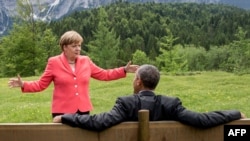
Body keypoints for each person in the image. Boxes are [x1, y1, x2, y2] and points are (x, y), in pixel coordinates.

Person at [53, 64, 246, 131]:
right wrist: (235, 113)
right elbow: (202, 120)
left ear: (138, 82)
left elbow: (98, 122)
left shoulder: (125, 104)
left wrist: (65, 116)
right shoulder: (171, 104)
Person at [8, 30, 139, 118]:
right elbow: (41, 84)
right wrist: (23, 84)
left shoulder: (86, 61)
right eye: (74, 46)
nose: (78, 49)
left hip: (83, 111)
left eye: (79, 45)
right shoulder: (53, 62)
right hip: (62, 112)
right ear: (64, 47)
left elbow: (104, 74)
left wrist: (124, 70)